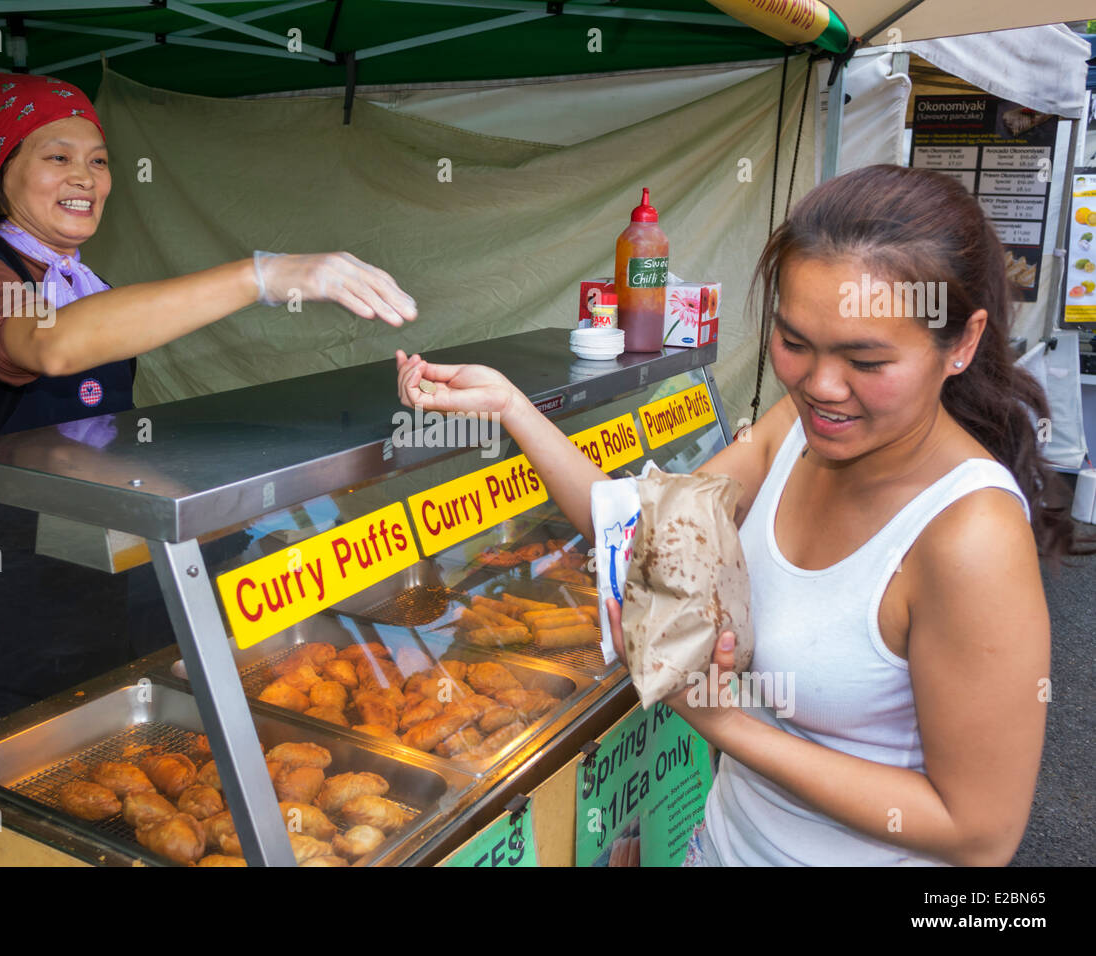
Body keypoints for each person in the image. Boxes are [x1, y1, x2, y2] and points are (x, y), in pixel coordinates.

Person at [395, 165, 1087, 866]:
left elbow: (980, 832)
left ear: (962, 343)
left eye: (867, 360)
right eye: (794, 342)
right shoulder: (795, 429)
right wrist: (514, 407)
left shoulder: (971, 537)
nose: (821, 386)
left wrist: (721, 719)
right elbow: (639, 533)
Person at [0, 72, 417, 734]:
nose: (86, 177)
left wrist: (239, 526)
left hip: (88, 561)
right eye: (57, 157)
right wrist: (261, 275)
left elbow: (99, 438)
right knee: (2, 760)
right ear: (0, 173)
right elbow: (50, 346)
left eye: (99, 161)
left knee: (107, 736)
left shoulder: (90, 285)